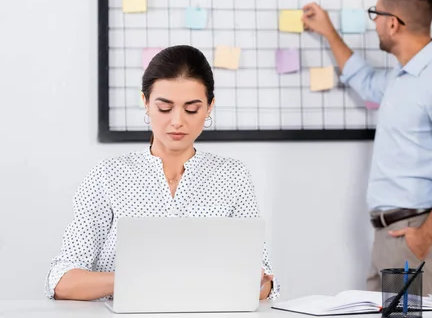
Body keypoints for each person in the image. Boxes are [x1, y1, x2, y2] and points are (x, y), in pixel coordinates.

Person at [44, 45, 280, 301]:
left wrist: (256, 282)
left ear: (210, 107)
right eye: (165, 108)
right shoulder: (108, 175)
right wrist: (144, 279)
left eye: (192, 109)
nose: (177, 121)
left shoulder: (233, 177)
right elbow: (61, 281)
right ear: (145, 102)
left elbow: (264, 281)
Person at [301, 0, 432, 295]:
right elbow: (365, 80)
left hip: (418, 237)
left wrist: (424, 237)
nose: (374, 23)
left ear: (394, 24)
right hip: (390, 239)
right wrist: (329, 32)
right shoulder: (402, 79)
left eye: (376, 14)